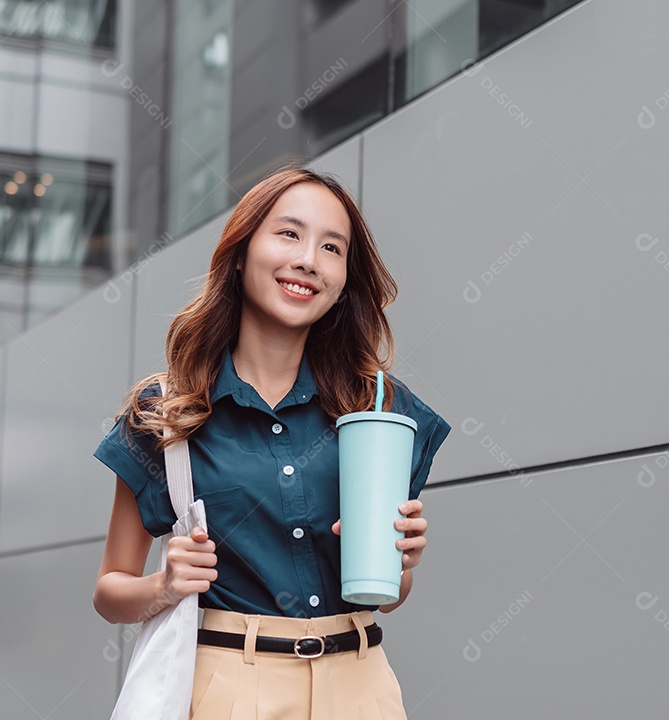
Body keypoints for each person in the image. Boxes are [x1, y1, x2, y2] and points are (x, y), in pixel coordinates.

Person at [91, 165, 451, 719]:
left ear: (343, 282)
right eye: (289, 233)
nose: (309, 259)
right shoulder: (166, 410)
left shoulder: (377, 407)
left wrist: (401, 564)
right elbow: (109, 591)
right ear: (240, 253)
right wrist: (166, 583)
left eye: (332, 247)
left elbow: (385, 598)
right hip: (229, 689)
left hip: (361, 688)